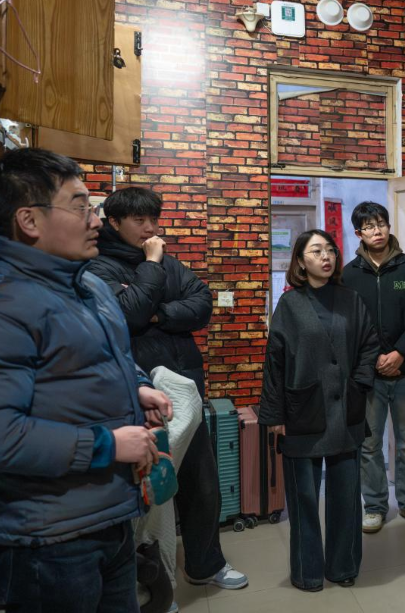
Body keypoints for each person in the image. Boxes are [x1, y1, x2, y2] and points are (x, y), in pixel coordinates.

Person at [0, 148, 172, 612]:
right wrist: (107, 444)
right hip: (45, 540)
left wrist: (138, 387)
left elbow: (106, 356)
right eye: (81, 206)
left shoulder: (87, 285)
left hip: (108, 515)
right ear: (29, 220)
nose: (96, 221)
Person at [86, 186, 248, 599]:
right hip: (139, 394)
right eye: (139, 220)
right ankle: (151, 583)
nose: (150, 228)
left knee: (202, 482)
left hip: (185, 390)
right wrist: (152, 266)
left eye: (153, 219)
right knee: (151, 491)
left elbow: (202, 304)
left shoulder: (168, 262)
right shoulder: (99, 265)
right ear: (114, 222)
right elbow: (129, 315)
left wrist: (159, 313)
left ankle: (205, 564)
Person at [258, 230, 378, 592]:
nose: (326, 256)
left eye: (330, 250)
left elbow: (370, 344)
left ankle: (343, 567)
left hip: (345, 411)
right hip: (302, 410)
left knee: (345, 496)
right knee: (304, 499)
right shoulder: (289, 304)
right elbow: (274, 362)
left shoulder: (351, 299)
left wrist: (359, 383)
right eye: (316, 251)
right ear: (300, 261)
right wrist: (274, 415)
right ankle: (307, 572)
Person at [341, 202, 405, 533]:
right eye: (369, 226)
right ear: (359, 233)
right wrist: (374, 359)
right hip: (368, 375)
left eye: (381, 223)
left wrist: (400, 354)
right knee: (369, 444)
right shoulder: (349, 274)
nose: (376, 230)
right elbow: (347, 324)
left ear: (389, 227)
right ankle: (375, 506)